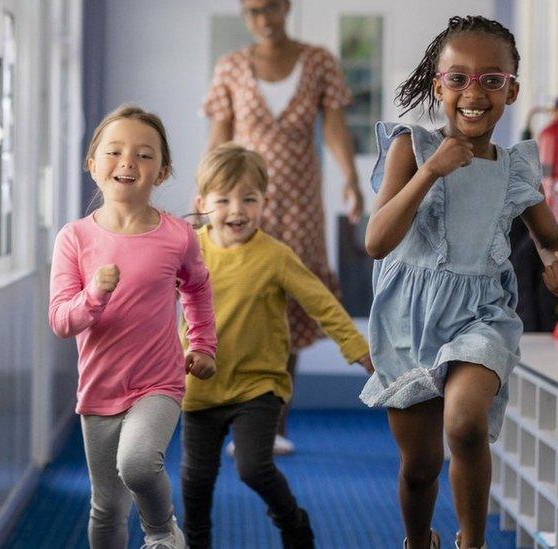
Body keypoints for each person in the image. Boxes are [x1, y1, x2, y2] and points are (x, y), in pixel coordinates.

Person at [359, 16, 558, 549]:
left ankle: (472, 543)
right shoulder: (409, 148)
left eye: (491, 79)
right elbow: (375, 241)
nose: (473, 92)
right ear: (438, 86)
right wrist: (431, 170)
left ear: (512, 89)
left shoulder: (515, 169)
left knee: (464, 424)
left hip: (482, 313)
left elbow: (554, 245)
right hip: (407, 318)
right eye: (458, 78)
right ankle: (419, 541)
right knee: (420, 466)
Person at [179, 143, 372, 549]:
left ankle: (293, 522)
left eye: (249, 199)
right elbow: (147, 296)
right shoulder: (187, 250)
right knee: (196, 480)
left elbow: (321, 302)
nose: (237, 209)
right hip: (199, 386)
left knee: (253, 468)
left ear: (265, 202)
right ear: (201, 203)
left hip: (258, 386)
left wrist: (356, 347)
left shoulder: (274, 256)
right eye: (224, 199)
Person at [48, 104, 218, 549]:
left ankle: (162, 532)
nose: (128, 162)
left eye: (145, 155)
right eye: (115, 151)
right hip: (99, 388)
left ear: (162, 172)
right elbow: (62, 321)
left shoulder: (178, 235)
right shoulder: (75, 238)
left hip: (158, 383)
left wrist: (202, 345)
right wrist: (94, 296)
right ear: (92, 165)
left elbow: (197, 290)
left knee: (139, 464)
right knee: (106, 507)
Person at [202, 0, 367, 454]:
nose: (263, 19)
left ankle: (273, 426)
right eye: (253, 12)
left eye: (270, 8)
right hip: (241, 201)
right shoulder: (231, 67)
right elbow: (219, 137)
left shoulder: (318, 61)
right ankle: (234, 417)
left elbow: (334, 127)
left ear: (286, 7)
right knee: (238, 300)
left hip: (298, 204)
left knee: (287, 307)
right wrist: (205, 193)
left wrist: (351, 180)